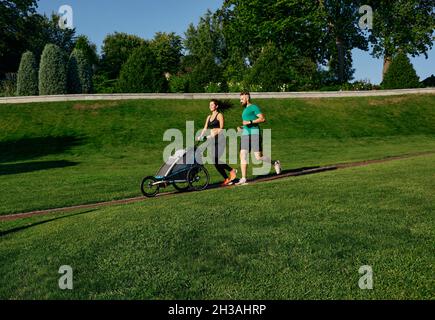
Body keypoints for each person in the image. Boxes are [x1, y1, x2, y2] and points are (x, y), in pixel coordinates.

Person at [236, 92, 281, 185]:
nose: (240, 101)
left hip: (254, 134)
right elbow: (247, 124)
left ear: (247, 98)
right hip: (245, 134)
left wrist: (249, 122)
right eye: (240, 99)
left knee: (258, 157)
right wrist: (242, 127)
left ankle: (275, 163)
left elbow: (262, 119)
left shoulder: (253, 107)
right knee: (242, 154)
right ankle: (244, 178)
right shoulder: (245, 109)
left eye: (242, 99)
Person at [197, 99, 237, 186]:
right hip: (212, 140)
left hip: (220, 140)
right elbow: (205, 128)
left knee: (215, 158)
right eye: (209, 105)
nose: (210, 106)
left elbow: (221, 128)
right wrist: (200, 136)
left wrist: (212, 134)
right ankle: (226, 178)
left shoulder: (219, 115)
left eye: (212, 105)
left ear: (216, 106)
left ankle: (231, 170)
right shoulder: (209, 117)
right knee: (214, 160)